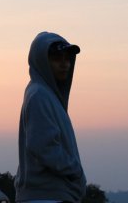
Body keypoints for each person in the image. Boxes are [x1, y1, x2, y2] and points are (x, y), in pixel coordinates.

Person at [15, 31, 86, 203]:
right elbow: (43, 147)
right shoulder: (39, 95)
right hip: (45, 197)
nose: (64, 64)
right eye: (56, 58)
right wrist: (75, 170)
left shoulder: (46, 95)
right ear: (42, 61)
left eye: (67, 58)